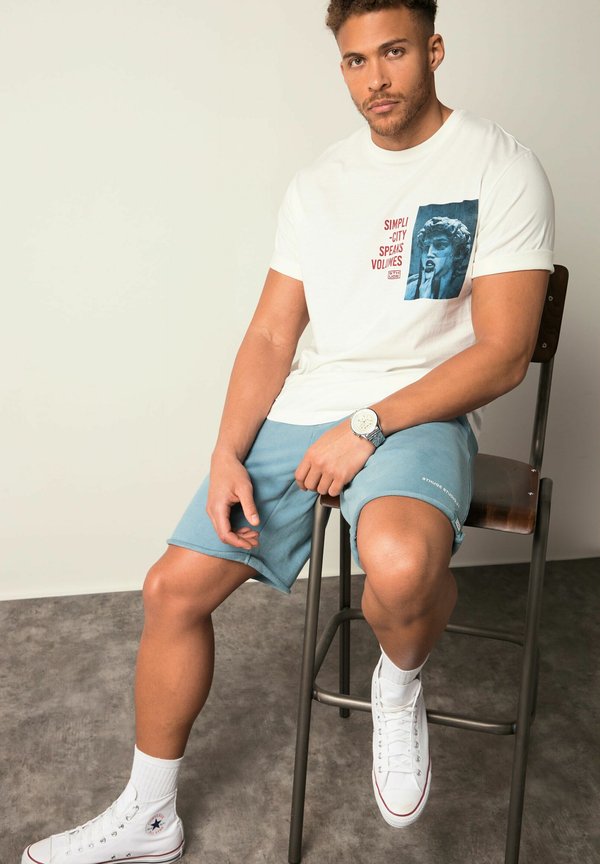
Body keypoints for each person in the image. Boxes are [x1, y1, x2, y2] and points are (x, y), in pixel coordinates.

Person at [22, 1, 554, 861]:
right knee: (170, 590)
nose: (375, 79)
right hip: (306, 412)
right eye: (355, 61)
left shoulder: (500, 165)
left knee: (400, 564)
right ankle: (150, 813)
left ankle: (397, 684)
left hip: (420, 409)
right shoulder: (319, 184)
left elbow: (503, 353)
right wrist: (226, 452)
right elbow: (273, 333)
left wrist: (368, 425)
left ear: (433, 49)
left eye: (393, 52)